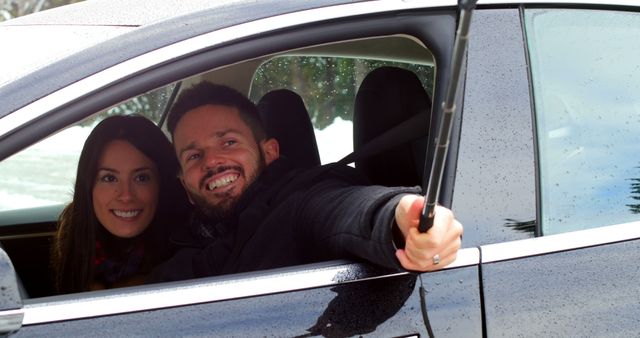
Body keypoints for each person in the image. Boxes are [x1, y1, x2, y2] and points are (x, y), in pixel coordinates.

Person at [152, 82, 463, 281]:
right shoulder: (181, 239)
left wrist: (401, 221)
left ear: (269, 152)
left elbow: (343, 209)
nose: (211, 162)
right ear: (184, 186)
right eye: (193, 156)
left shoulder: (299, 202)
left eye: (229, 142)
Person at [51, 115, 188, 293]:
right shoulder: (76, 240)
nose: (126, 195)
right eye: (109, 178)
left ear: (163, 183)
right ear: (89, 185)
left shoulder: (191, 253)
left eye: (141, 178)